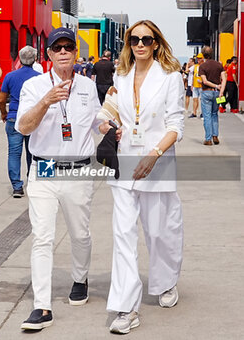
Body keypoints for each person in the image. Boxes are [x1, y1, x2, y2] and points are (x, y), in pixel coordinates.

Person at [15, 27, 120, 330]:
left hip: (78, 170)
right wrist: (46, 101)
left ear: (75, 54)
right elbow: (23, 127)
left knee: (80, 234)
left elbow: (97, 119)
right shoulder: (35, 87)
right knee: (42, 237)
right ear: (47, 54)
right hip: (44, 170)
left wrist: (105, 125)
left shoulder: (87, 85)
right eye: (56, 47)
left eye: (68, 47)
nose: (63, 52)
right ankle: (42, 307)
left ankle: (80, 278)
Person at [106, 19, 184, 334]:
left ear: (156, 43)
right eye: (135, 39)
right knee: (123, 236)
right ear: (129, 43)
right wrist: (110, 126)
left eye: (146, 39)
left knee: (159, 232)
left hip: (158, 162)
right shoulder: (120, 76)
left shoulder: (171, 77)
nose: (140, 44)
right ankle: (126, 308)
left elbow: (176, 125)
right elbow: (112, 114)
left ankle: (166, 282)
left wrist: (153, 156)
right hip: (125, 162)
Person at [0, 46, 40, 198]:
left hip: (14, 117)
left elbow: (2, 99)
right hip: (32, 118)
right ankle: (32, 182)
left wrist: (4, 113)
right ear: (35, 59)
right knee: (33, 152)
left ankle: (17, 187)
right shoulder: (39, 77)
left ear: (20, 59)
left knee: (14, 153)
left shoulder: (10, 76)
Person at [199, 46, 227, 145]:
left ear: (203, 54)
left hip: (206, 92)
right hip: (216, 93)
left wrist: (215, 86)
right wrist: (221, 91)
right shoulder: (219, 65)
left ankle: (208, 139)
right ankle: (215, 136)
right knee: (214, 114)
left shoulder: (202, 66)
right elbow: (224, 79)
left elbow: (204, 81)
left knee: (207, 116)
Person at [189, 53, 204, 118]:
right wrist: (192, 84)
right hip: (195, 85)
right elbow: (190, 73)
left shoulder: (204, 66)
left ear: (203, 59)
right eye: (198, 58)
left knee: (202, 100)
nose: (198, 59)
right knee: (195, 99)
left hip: (202, 86)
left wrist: (203, 82)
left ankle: (202, 113)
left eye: (200, 58)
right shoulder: (195, 66)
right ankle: (194, 113)